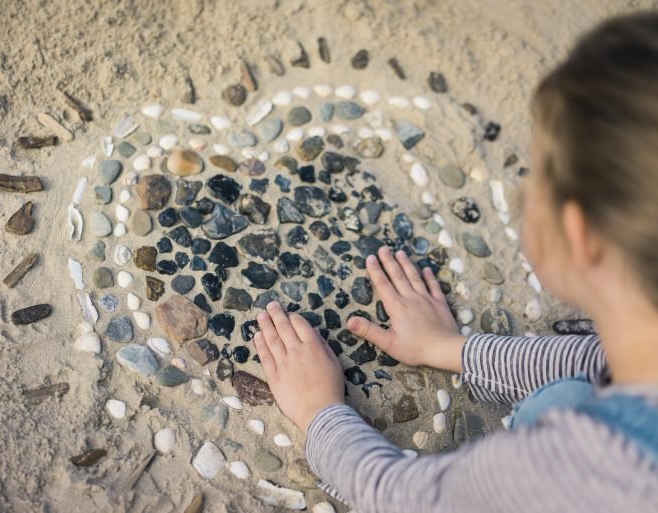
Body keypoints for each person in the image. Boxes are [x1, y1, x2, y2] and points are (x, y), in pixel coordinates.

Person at [252, 11, 658, 513]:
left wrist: (320, 411)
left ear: (582, 238)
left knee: (556, 408)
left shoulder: (569, 469)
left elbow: (405, 497)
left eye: (536, 178)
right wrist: (451, 349)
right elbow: (597, 360)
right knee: (564, 394)